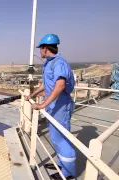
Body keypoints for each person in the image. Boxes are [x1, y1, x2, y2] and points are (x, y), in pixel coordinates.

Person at [25, 34, 76, 180]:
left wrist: (42, 105)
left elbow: (60, 86)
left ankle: (69, 173)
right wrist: (32, 94)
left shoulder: (59, 63)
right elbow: (45, 84)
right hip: (52, 106)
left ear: (45, 48)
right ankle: (61, 164)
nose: (40, 51)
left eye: (40, 48)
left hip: (60, 106)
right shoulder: (49, 63)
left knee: (62, 139)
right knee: (55, 138)